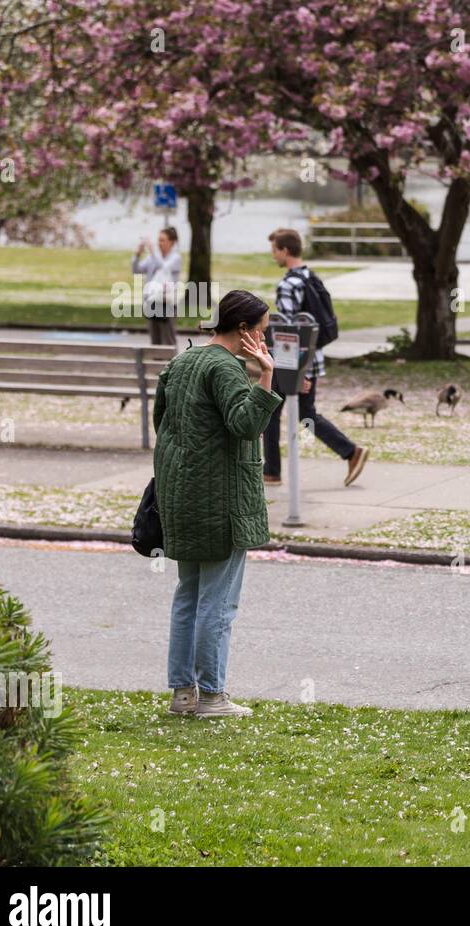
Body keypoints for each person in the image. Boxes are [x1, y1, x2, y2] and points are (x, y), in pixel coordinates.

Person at [153, 290, 283, 718]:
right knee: (218, 602)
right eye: (263, 330)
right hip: (222, 499)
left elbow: (163, 423)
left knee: (188, 595)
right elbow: (245, 425)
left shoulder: (182, 361)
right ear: (244, 329)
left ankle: (183, 694)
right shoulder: (225, 367)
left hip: (181, 494)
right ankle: (212, 696)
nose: (266, 339)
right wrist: (265, 375)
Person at [262, 228, 369, 487]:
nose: (273, 255)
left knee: (270, 412)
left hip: (294, 362)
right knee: (302, 413)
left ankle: (273, 471)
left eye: (275, 250)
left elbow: (289, 332)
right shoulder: (311, 277)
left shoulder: (288, 284)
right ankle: (348, 451)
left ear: (285, 251)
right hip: (312, 357)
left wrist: (299, 373)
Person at [132, 226, 182, 346]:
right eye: (158, 240)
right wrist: (137, 255)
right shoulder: (152, 257)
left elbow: (164, 267)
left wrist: (152, 251)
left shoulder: (175, 258)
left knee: (169, 341)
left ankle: (172, 364)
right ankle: (155, 363)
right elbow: (136, 270)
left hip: (167, 304)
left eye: (162, 240)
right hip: (152, 303)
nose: (159, 243)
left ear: (172, 242)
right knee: (155, 342)